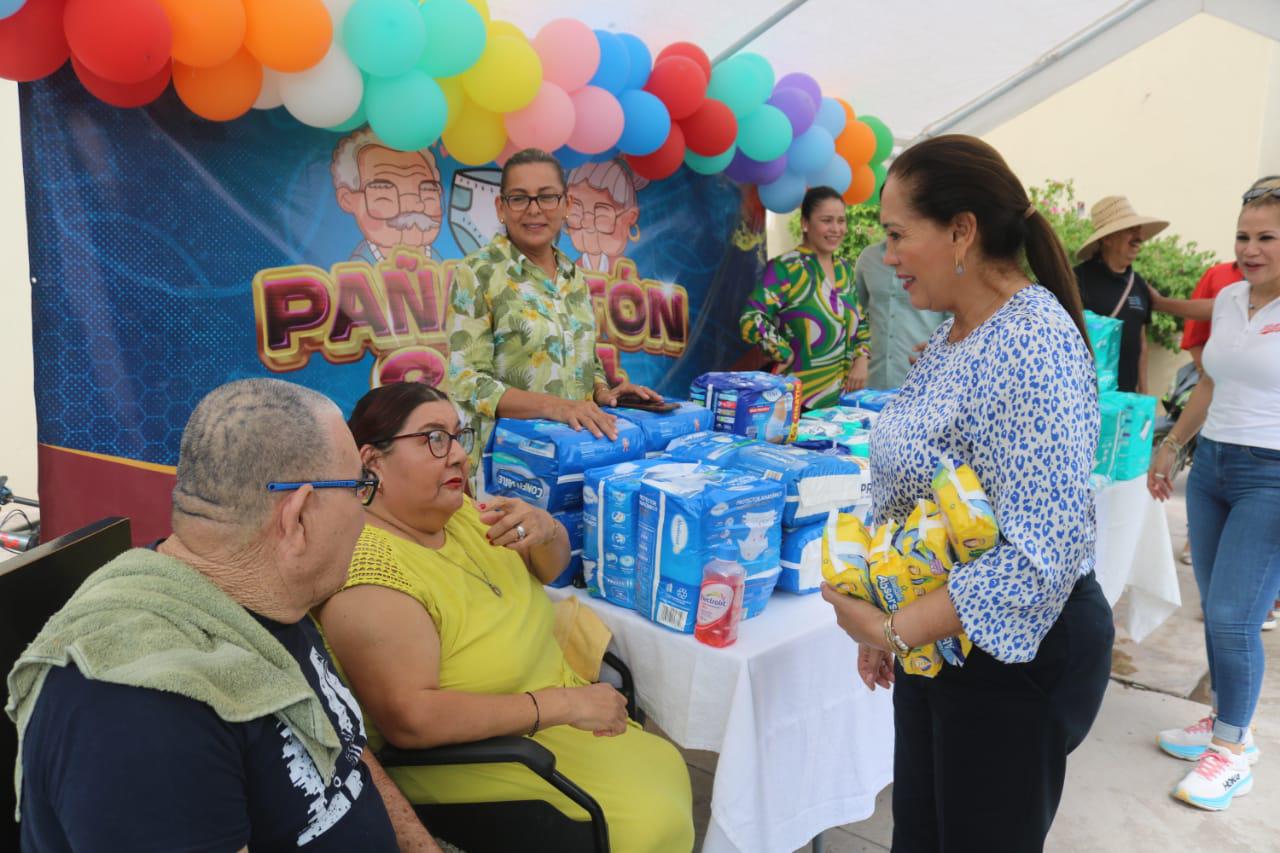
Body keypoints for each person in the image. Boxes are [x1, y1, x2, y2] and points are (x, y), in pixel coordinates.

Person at [820, 135, 1113, 851]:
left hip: (1015, 657)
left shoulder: (1031, 344)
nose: (885, 257)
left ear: (961, 230)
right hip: (946, 640)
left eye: (896, 234)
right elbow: (927, 487)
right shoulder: (961, 333)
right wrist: (896, 610)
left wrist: (894, 628)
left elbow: (1038, 557)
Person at [9, 379, 439, 852]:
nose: (366, 512)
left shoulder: (268, 600)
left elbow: (345, 753)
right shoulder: (138, 712)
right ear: (298, 518)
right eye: (360, 487)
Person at [315, 382, 694, 852]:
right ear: (373, 461)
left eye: (458, 436)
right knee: (645, 822)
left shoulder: (462, 515)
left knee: (661, 780)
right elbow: (411, 722)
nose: (457, 456)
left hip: (554, 724)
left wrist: (550, 530)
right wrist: (564, 705)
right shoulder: (370, 573)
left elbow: (548, 570)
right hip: (480, 760)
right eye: (434, 439)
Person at [1148, 177, 1280, 810]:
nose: (1251, 249)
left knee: (1234, 615)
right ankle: (1228, 721)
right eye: (1243, 236)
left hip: (1272, 477)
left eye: (1267, 237)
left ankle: (1231, 753)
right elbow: (1208, 383)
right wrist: (1172, 446)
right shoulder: (1229, 299)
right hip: (1213, 469)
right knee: (1216, 607)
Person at [446, 148, 659, 475]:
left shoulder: (575, 278)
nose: (534, 210)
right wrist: (556, 408)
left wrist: (605, 393)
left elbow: (586, 362)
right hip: (507, 468)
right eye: (519, 198)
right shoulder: (477, 273)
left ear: (567, 205)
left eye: (547, 197)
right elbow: (466, 382)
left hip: (575, 457)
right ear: (501, 208)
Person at [739, 186, 871, 409]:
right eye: (827, 220)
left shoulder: (844, 270)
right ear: (805, 223)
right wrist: (782, 352)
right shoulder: (786, 268)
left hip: (841, 402)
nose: (836, 229)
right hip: (797, 402)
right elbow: (751, 318)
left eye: (841, 221)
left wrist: (861, 360)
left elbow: (861, 322)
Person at [1073, 195, 1170, 394]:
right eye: (1130, 230)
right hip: (1086, 396)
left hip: (1124, 401)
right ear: (1107, 238)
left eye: (1138, 230)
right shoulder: (1078, 280)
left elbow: (1141, 343)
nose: (1139, 237)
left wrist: (1143, 391)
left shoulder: (1139, 284)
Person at [854, 238, 948, 389]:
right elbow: (856, 315)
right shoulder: (868, 258)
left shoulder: (938, 259)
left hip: (924, 378)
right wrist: (860, 357)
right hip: (873, 382)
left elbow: (956, 320)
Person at [565, 159, 647, 274]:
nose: (586, 223)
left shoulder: (623, 269)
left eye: (601, 215)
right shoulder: (574, 269)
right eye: (576, 212)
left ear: (630, 217)